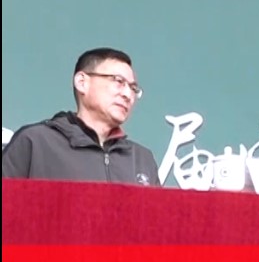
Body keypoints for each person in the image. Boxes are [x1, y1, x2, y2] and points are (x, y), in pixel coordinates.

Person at [1, 47, 160, 185]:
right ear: (82, 82)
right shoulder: (35, 142)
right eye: (118, 81)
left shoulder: (142, 159)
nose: (127, 94)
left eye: (133, 88)